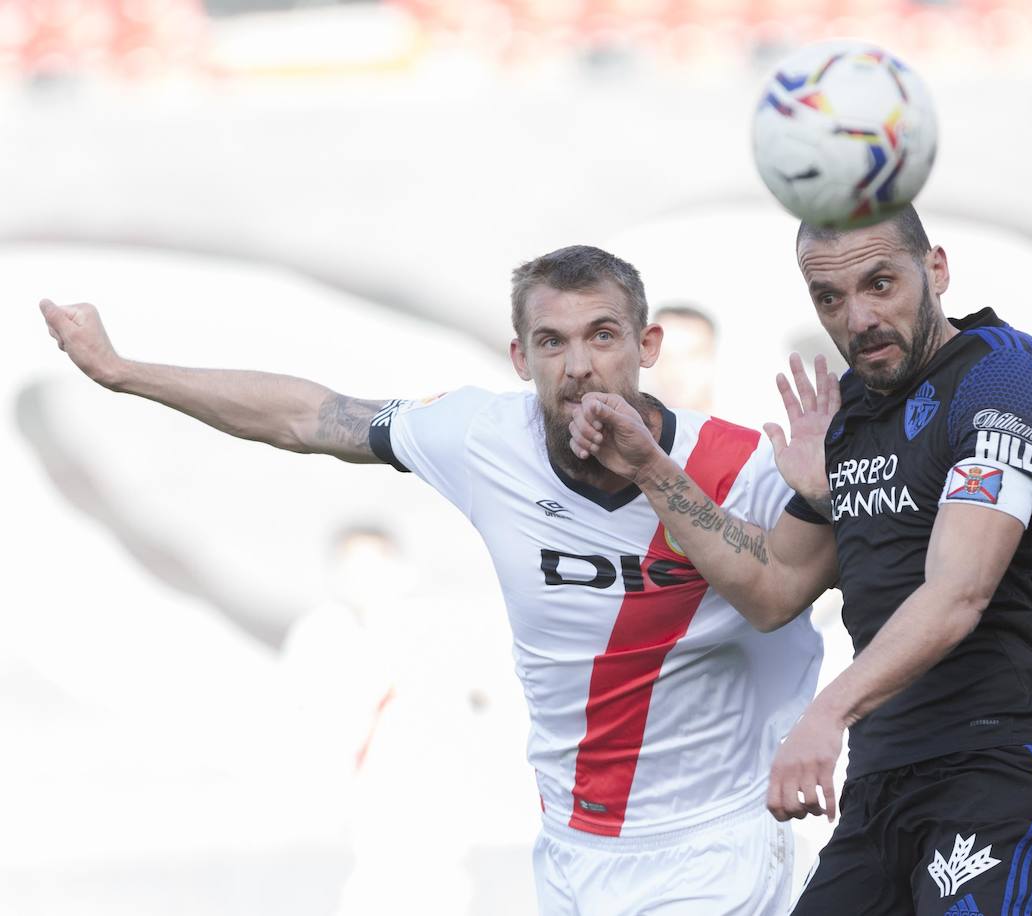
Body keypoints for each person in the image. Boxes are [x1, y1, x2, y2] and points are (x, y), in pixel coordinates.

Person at [37, 244, 823, 916]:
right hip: (574, 848)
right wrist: (123, 372)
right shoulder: (484, 436)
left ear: (646, 346)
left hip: (712, 843)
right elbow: (311, 417)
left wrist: (658, 472)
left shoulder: (744, 465)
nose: (579, 366)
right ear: (520, 358)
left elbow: (788, 592)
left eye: (603, 336)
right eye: (551, 342)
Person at [569, 207, 1032, 915]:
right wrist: (651, 469)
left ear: (938, 270)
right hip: (885, 786)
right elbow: (773, 588)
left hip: (1006, 769)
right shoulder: (849, 414)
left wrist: (826, 714)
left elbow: (959, 590)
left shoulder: (1005, 378)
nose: (858, 317)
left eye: (881, 283)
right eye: (830, 298)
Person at [645, 302, 718, 413]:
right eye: (664, 356)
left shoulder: (743, 427)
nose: (674, 370)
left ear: (712, 357)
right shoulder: (626, 425)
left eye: (691, 356)